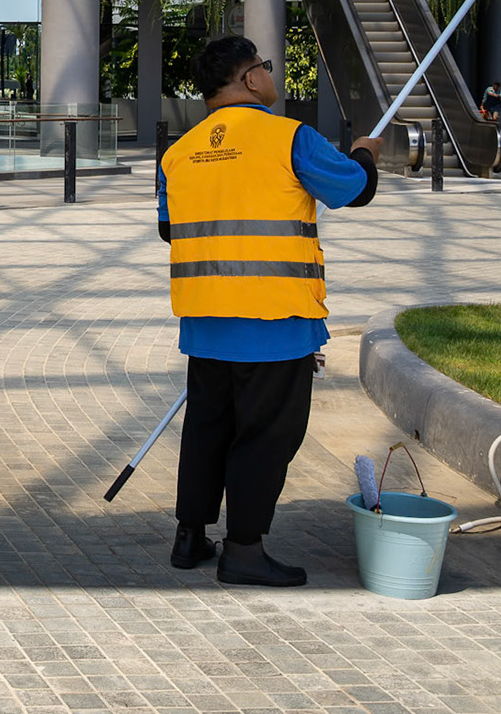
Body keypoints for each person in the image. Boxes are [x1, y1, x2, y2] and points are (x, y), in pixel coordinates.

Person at [157, 36, 381, 587]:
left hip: (206, 322)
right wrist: (366, 153)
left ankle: (190, 538)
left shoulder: (178, 153)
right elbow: (354, 189)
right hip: (275, 322)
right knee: (265, 436)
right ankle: (244, 550)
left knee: (207, 429)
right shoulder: (290, 139)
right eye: (265, 66)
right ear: (250, 79)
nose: (269, 74)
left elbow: (170, 228)